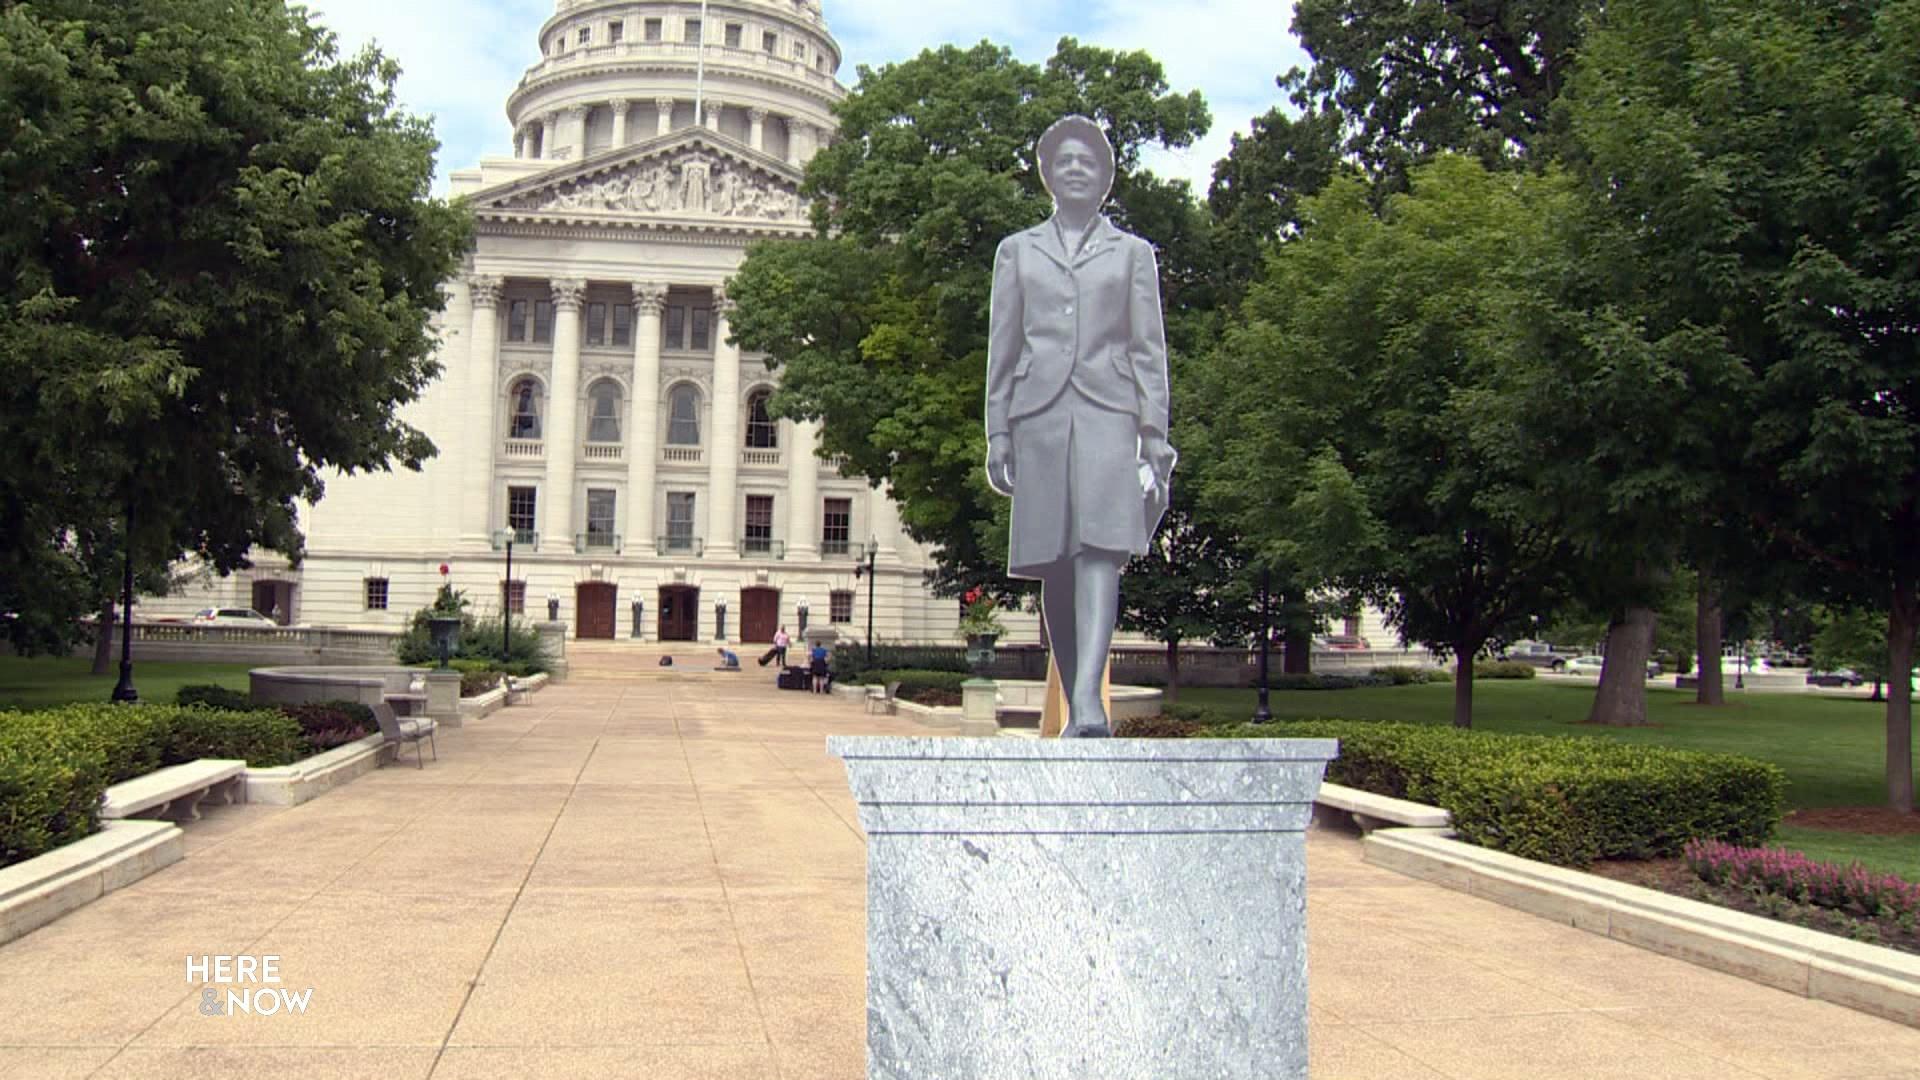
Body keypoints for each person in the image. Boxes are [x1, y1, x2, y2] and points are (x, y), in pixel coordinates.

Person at [984, 114, 1175, 738]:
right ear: (1047, 173)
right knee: (1055, 562)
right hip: (1036, 414)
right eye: (1062, 159)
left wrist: (1154, 431)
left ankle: (1090, 703)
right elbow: (1003, 346)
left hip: (1108, 411)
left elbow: (1150, 350)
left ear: (1104, 178)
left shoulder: (1133, 255)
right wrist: (998, 432)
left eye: (1086, 161)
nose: (1073, 168)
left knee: (1099, 550)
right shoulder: (1016, 251)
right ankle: (1075, 697)